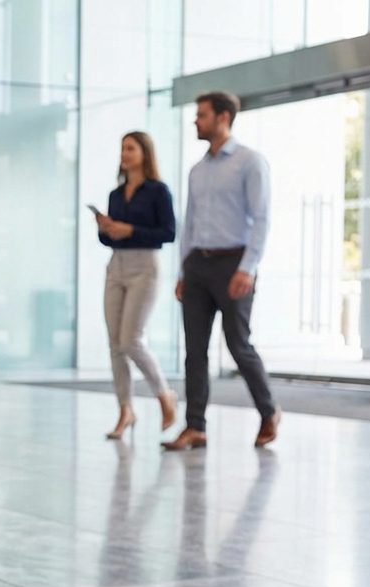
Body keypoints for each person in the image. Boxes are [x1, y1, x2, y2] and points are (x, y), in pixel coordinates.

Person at [163, 91, 281, 451]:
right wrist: (184, 270)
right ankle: (195, 426)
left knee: (238, 345)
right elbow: (191, 224)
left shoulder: (250, 162)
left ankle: (269, 410)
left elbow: (261, 220)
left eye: (201, 115)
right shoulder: (197, 171)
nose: (196, 121)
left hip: (234, 264)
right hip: (198, 264)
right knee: (194, 350)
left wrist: (248, 268)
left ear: (223, 117)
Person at [93, 131, 178, 440]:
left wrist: (128, 229)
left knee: (131, 340)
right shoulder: (116, 195)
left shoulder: (158, 191)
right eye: (122, 149)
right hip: (117, 265)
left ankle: (164, 394)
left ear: (145, 153)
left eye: (130, 148)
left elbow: (168, 233)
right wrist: (107, 230)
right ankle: (125, 409)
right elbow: (106, 239)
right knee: (115, 344)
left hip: (144, 267)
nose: (124, 154)